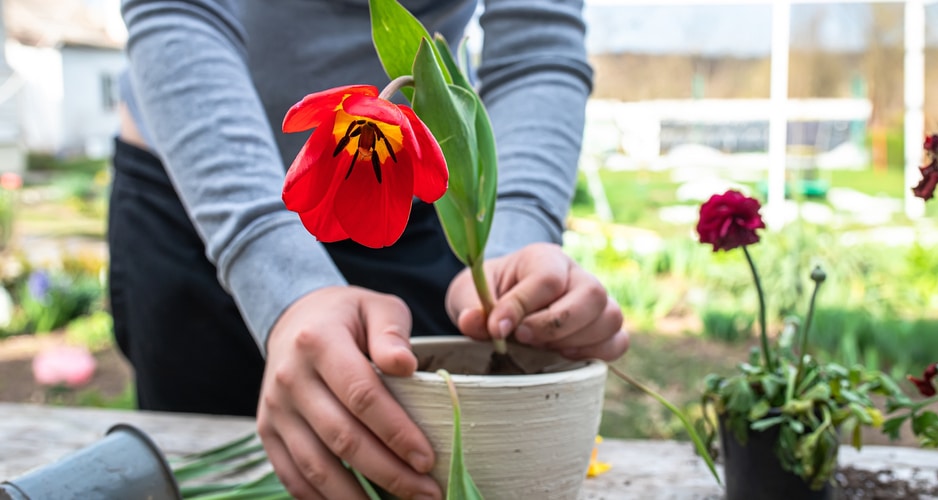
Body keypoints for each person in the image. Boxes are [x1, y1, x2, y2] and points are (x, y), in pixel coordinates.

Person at [112, 0, 628, 498]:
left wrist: (513, 238)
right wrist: (276, 276)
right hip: (200, 190)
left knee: (405, 461)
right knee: (202, 470)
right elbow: (176, 9)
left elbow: (536, 34)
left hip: (404, 196)